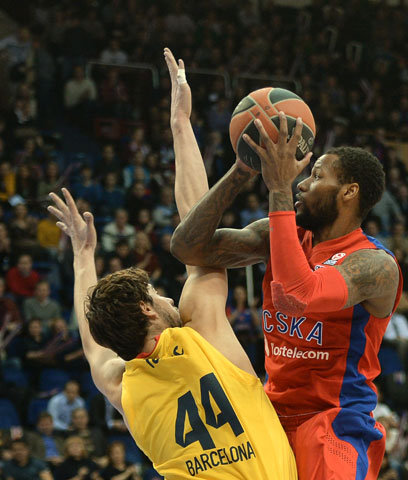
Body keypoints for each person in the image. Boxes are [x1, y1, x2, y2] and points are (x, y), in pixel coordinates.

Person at [46, 49, 296, 479]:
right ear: (148, 310)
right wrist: (181, 123)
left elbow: (92, 344)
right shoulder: (200, 335)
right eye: (155, 294)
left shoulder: (121, 384)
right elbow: (196, 239)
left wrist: (82, 258)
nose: (165, 297)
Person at [170, 100, 402, 479]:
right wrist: (241, 171)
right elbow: (187, 248)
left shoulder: (375, 265)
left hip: (333, 421)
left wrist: (279, 186)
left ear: (349, 192)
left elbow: (300, 294)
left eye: (317, 176)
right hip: (269, 413)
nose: (303, 183)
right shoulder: (278, 234)